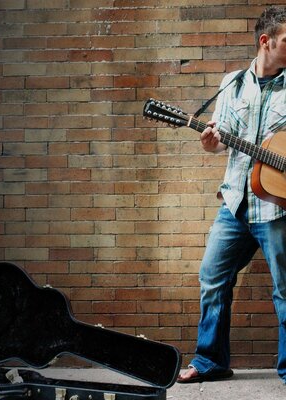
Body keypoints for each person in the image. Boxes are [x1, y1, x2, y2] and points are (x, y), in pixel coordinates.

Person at [177, 6, 286, 384]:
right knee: (212, 277)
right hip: (236, 203)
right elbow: (218, 144)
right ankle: (211, 362)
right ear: (266, 41)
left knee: (285, 290)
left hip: (277, 208)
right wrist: (209, 143)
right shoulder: (232, 83)